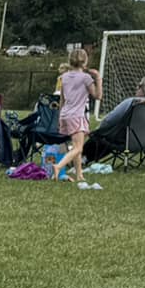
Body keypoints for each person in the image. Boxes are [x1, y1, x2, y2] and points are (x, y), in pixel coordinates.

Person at [52, 52, 100, 187]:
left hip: (65, 114)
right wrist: (98, 78)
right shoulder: (86, 78)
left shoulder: (64, 76)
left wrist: (61, 117)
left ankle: (79, 174)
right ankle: (58, 166)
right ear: (85, 62)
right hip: (77, 116)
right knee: (78, 148)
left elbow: (62, 99)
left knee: (76, 145)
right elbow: (98, 95)